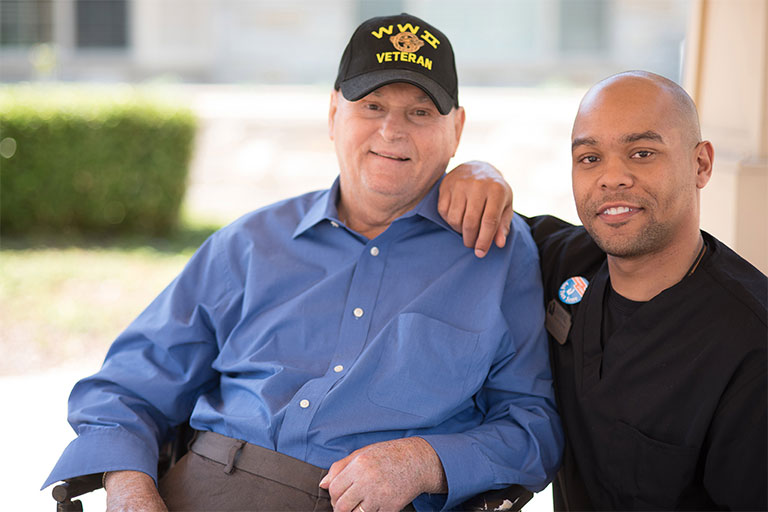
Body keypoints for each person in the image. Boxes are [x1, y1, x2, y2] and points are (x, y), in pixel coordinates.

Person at [43, 13, 563, 512]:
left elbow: (532, 425)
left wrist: (425, 462)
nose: (392, 131)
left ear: (457, 130)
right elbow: (126, 388)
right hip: (207, 488)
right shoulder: (248, 244)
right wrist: (130, 491)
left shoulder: (497, 252)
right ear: (334, 113)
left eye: (421, 112)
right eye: (372, 105)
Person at [439, 70, 768, 510]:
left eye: (642, 152)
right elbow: (490, 222)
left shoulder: (750, 344)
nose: (612, 177)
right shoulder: (565, 260)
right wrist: (477, 171)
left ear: (701, 164)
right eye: (590, 158)